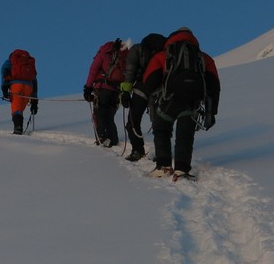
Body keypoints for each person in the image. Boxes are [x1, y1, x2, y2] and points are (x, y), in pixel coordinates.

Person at [137, 27, 221, 180]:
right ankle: (181, 170)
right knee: (185, 135)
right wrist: (212, 112)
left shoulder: (164, 55)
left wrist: (152, 100)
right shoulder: (204, 58)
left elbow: (149, 82)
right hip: (192, 103)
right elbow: (214, 87)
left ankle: (164, 166)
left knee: (161, 129)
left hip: (169, 101)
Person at [120, 33, 167, 161]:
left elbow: (130, 71)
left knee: (133, 122)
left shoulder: (136, 49)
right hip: (159, 90)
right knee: (158, 124)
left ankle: (137, 151)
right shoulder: (165, 52)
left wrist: (125, 92)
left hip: (141, 89)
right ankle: (161, 155)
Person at [82, 38, 128, 147]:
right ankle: (113, 139)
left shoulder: (103, 54)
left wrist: (88, 88)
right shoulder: (122, 56)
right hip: (117, 92)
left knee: (99, 114)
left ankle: (102, 138)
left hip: (102, 89)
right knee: (109, 116)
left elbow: (93, 70)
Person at [1, 49, 38, 134]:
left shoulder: (9, 61)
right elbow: (34, 80)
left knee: (16, 108)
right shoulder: (29, 64)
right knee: (20, 109)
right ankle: (19, 127)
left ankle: (18, 129)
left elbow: (4, 72)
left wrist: (4, 89)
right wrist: (34, 100)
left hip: (16, 85)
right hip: (29, 87)